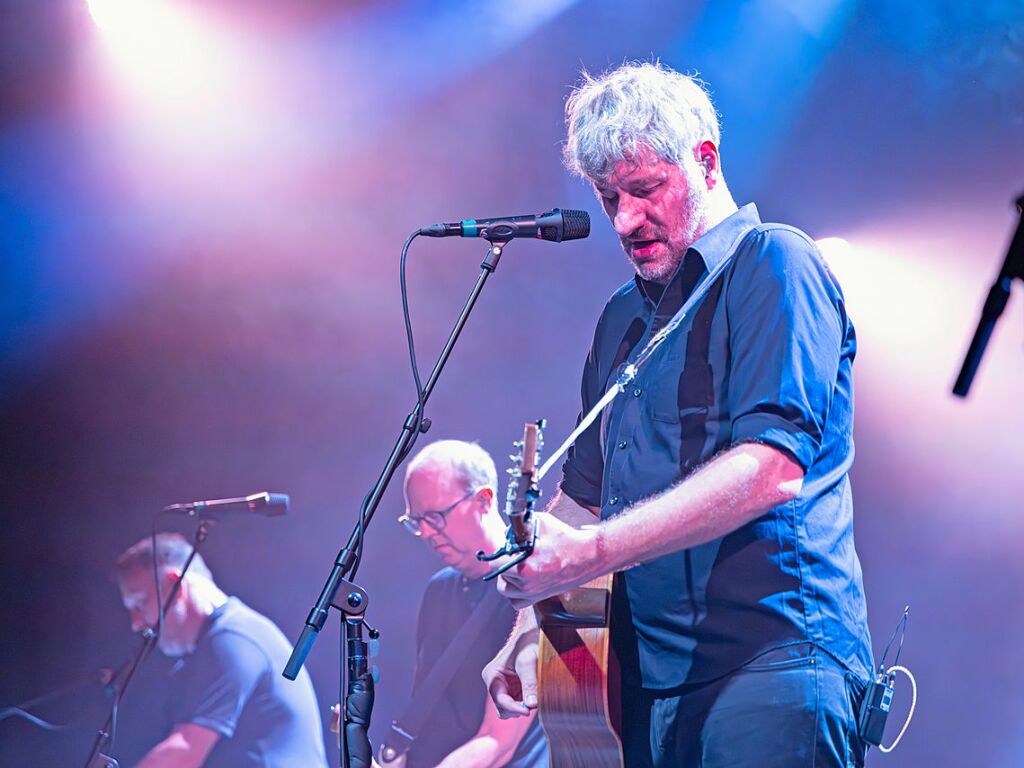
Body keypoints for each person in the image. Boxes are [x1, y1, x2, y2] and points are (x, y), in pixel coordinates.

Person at [482, 62, 874, 767]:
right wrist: (531, 632)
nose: (627, 219)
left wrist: (592, 552)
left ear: (706, 160)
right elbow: (581, 501)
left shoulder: (775, 263)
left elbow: (771, 470)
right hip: (643, 691)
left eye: (645, 189)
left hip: (771, 667)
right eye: (608, 199)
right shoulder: (620, 321)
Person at [382, 439, 547, 768]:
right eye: (417, 522)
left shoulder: (530, 587)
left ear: (483, 501)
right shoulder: (440, 590)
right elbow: (428, 708)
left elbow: (498, 742)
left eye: (435, 516)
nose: (427, 532)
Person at [116, 534, 329, 768]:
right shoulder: (223, 638)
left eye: (140, 602)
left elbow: (183, 754)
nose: (135, 622)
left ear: (174, 586)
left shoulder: (232, 639)